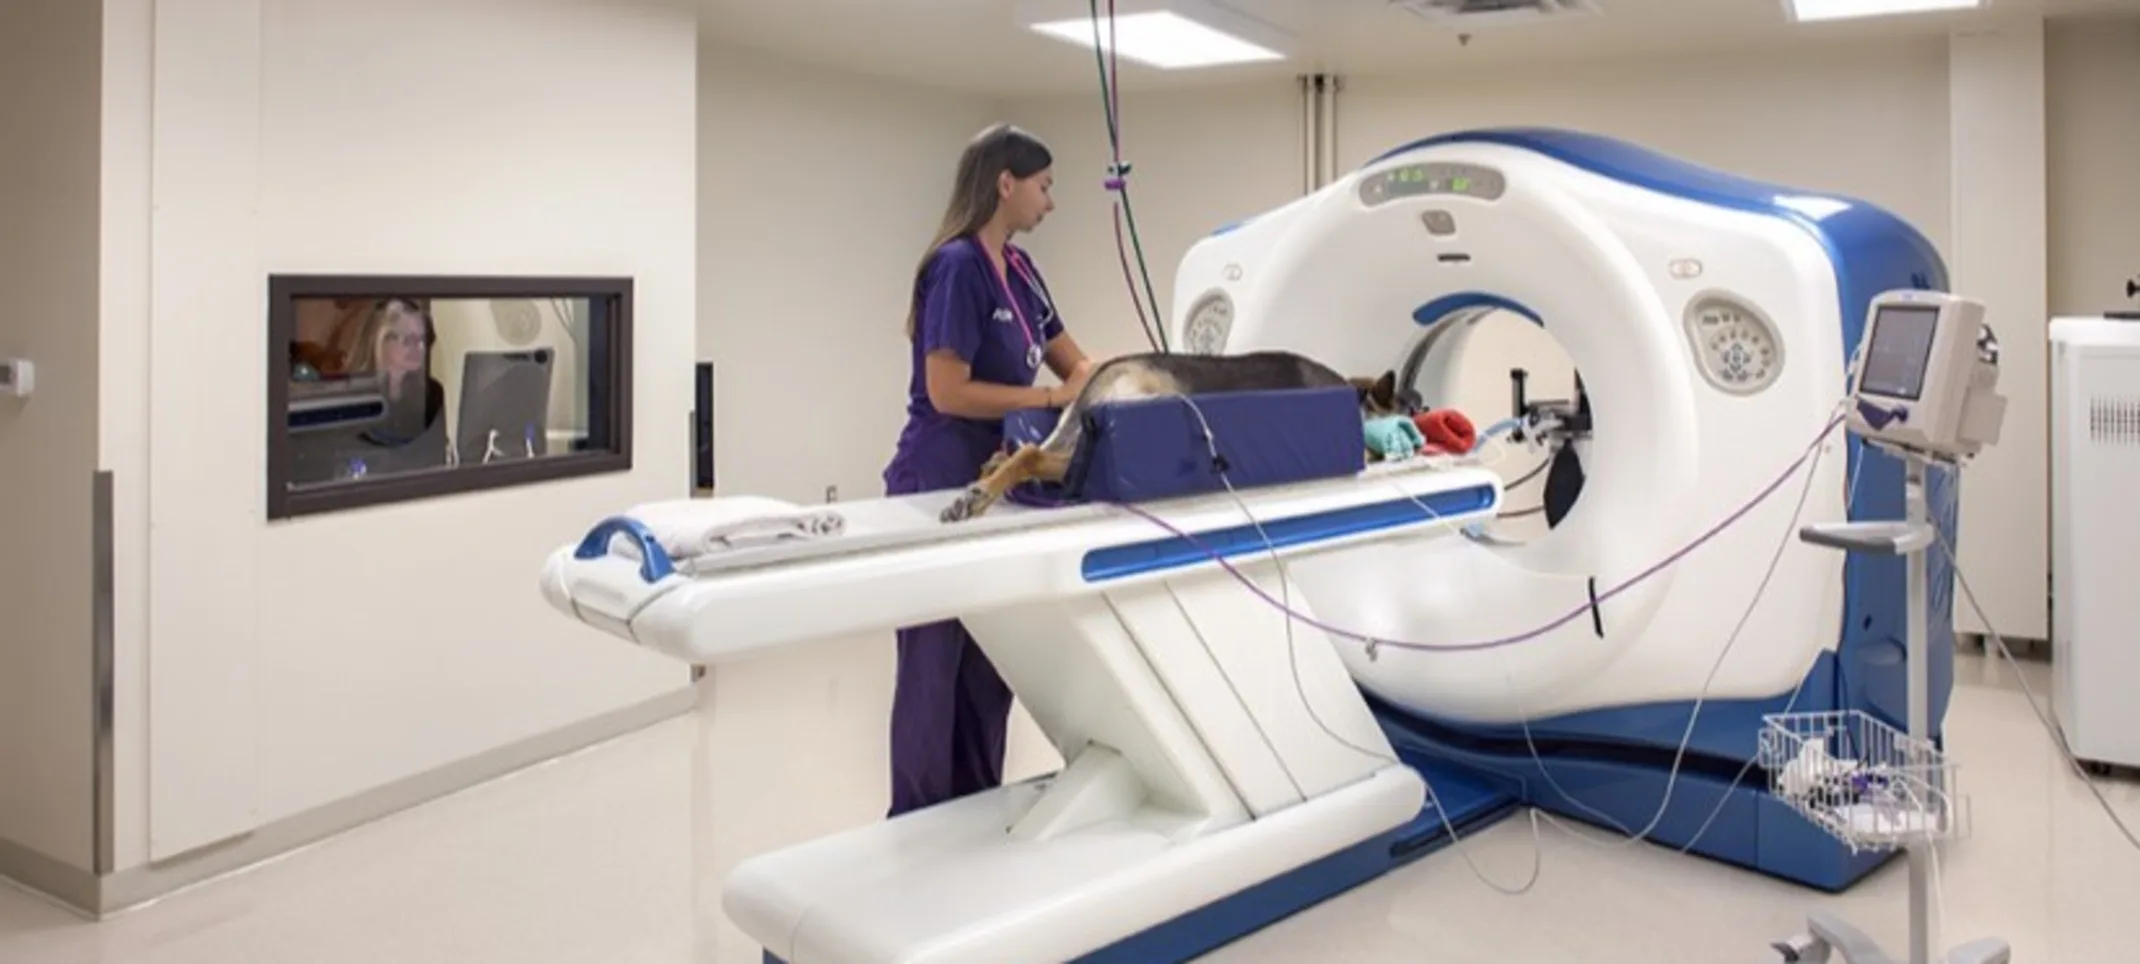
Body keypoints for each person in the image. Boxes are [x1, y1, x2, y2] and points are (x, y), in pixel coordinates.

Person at [881, 124, 1097, 818]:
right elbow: (947, 391)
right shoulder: (955, 267)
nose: (1051, 202)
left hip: (998, 479)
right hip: (937, 478)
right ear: (1006, 183)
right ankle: (916, 823)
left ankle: (972, 815)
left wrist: (1133, 381)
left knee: (989, 664)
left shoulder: (1024, 272)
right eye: (1044, 186)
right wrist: (1047, 400)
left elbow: (1078, 366)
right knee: (933, 666)